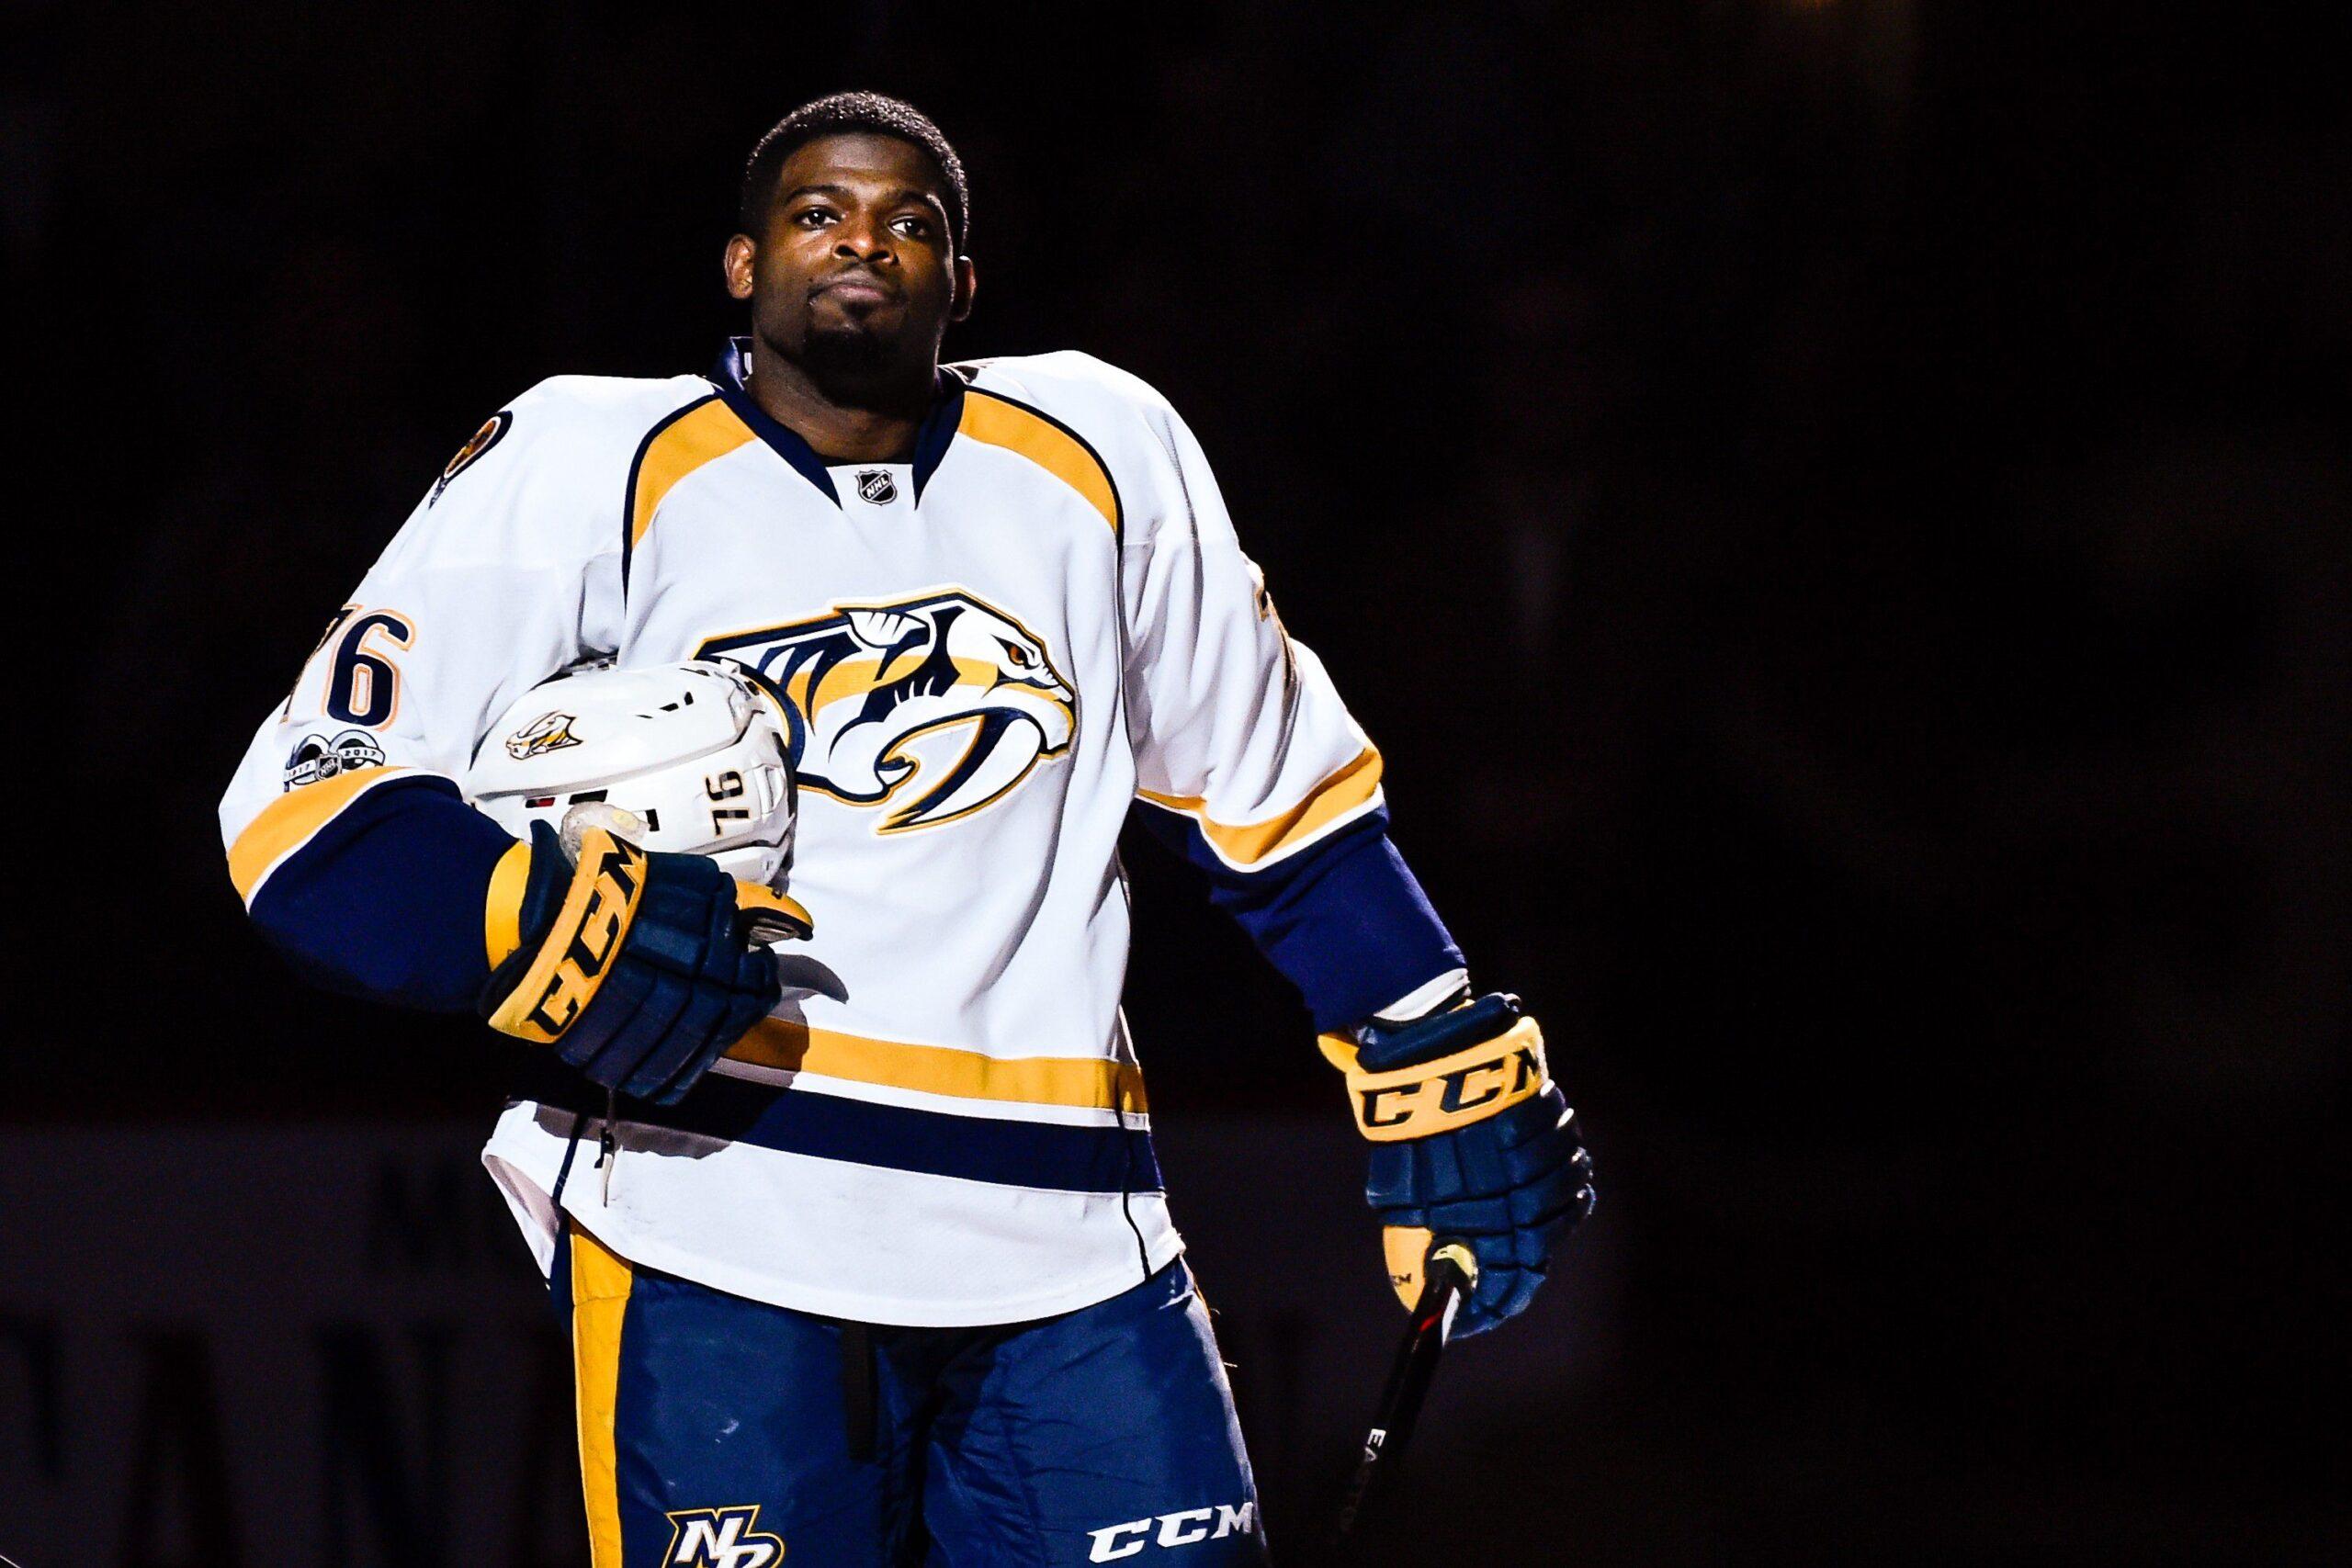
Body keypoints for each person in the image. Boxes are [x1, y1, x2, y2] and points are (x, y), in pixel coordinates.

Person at [217, 92, 1593, 1565]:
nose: (863, 242)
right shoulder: (580, 456)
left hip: (1076, 1246)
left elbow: (1286, 806)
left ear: (965, 280)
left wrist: (1430, 1036)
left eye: (910, 221)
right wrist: (533, 919)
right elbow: (304, 812)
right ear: (741, 264)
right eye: (818, 214)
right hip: (718, 1230)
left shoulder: (1107, 445)